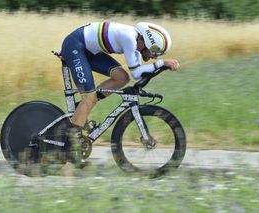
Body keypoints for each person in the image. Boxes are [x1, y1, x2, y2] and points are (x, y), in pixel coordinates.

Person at [60, 21, 180, 166]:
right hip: (75, 46)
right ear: (147, 42)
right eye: (155, 52)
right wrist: (162, 64)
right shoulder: (129, 38)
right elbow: (136, 72)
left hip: (88, 50)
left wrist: (161, 67)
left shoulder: (136, 43)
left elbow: (136, 75)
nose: (154, 57)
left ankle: (83, 107)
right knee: (89, 99)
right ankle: (70, 148)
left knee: (122, 78)